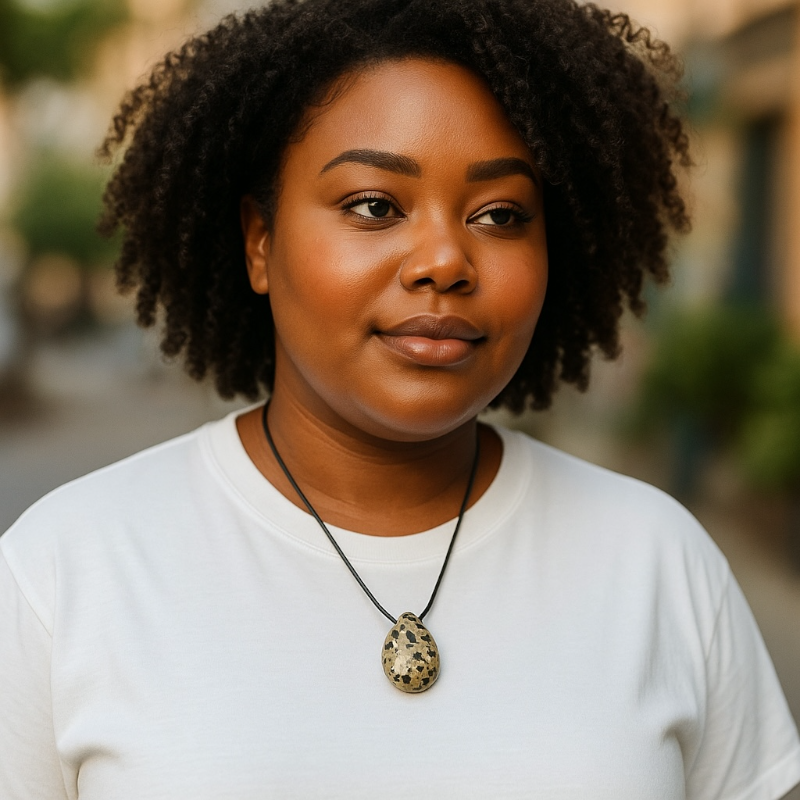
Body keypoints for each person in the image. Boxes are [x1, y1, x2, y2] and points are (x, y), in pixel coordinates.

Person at [2, 0, 800, 797]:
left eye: (501, 214)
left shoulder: (659, 563)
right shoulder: (66, 574)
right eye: (375, 206)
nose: (445, 260)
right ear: (259, 242)